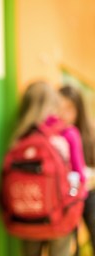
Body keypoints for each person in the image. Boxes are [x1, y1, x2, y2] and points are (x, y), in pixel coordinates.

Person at [9, 81, 78, 256]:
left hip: (25, 219)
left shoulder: (17, 139)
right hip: (57, 218)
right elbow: (75, 177)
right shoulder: (61, 136)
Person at [59, 85, 95, 252]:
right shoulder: (57, 134)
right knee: (70, 242)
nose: (63, 114)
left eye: (69, 108)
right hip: (67, 195)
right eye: (60, 108)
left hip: (89, 192)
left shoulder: (88, 133)